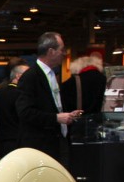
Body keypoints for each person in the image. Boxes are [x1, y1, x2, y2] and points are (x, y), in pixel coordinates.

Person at [16, 32, 82, 165]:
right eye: (61, 50)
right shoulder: (30, 77)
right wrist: (56, 118)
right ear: (51, 51)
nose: (64, 53)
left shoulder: (51, 75)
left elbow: (52, 106)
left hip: (58, 142)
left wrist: (67, 115)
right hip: (41, 148)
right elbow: (25, 112)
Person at [0, 59, 29, 157]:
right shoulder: (18, 93)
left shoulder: (1, 90)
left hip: (4, 140)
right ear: (18, 76)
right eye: (28, 75)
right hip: (18, 141)